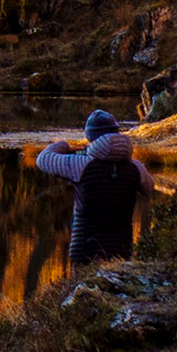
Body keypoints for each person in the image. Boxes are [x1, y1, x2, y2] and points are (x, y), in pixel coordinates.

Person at [35, 108, 148, 265]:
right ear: (117, 133)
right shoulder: (136, 168)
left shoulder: (80, 164)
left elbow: (43, 159)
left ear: (90, 137)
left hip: (84, 250)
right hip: (122, 250)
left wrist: (65, 145)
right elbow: (149, 188)